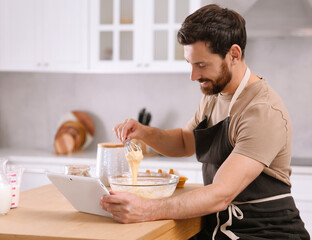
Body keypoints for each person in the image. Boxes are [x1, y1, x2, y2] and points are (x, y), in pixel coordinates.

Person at [100, 4, 310, 240]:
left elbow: (221, 193)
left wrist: (146, 210)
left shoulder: (262, 111)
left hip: (267, 233)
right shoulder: (213, 97)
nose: (193, 76)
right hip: (220, 228)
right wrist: (144, 132)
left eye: (201, 65)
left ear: (234, 54)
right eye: (190, 64)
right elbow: (183, 142)